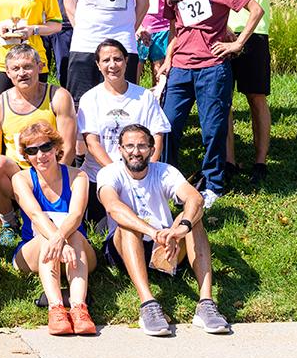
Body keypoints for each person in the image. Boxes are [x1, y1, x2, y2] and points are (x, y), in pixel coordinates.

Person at [98, 123, 231, 336]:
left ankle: (206, 302)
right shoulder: (109, 173)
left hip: (166, 248)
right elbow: (113, 207)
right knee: (128, 225)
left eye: (142, 146)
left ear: (152, 149)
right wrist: (153, 232)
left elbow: (195, 198)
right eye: (129, 146)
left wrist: (181, 229)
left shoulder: (165, 171)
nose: (135, 152)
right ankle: (148, 305)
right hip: (125, 247)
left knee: (193, 218)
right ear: (120, 149)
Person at [161, 0, 264, 208]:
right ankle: (168, 180)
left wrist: (237, 44)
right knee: (168, 125)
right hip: (181, 68)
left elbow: (256, 10)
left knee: (213, 129)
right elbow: (175, 30)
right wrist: (168, 59)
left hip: (213, 69)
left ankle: (213, 184)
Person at [207, 0, 284, 187]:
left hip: (255, 32)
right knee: (222, 100)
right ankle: (228, 161)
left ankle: (260, 162)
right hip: (222, 33)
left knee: (256, 97)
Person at [10, 121, 96, 335]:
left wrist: (61, 239)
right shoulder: (21, 178)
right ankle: (56, 307)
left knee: (75, 236)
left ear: (56, 147)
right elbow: (36, 215)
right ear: (26, 155)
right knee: (46, 239)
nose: (40, 155)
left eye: (46, 147)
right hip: (34, 250)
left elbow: (76, 215)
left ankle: (79, 308)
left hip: (76, 251)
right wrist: (58, 241)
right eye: (32, 151)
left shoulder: (78, 176)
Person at [76, 39, 171, 224]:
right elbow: (92, 144)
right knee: (103, 229)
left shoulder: (144, 97)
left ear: (126, 61)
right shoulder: (90, 98)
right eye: (106, 60)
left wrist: (146, 172)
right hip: (102, 177)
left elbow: (157, 136)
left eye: (118, 59)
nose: (112, 65)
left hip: (140, 174)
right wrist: (119, 174)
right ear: (98, 65)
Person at [0, 45, 77, 232]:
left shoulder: (58, 96)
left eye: (27, 67)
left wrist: (52, 180)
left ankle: (51, 209)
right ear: (8, 73)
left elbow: (68, 149)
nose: (22, 73)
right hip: (18, 174)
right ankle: (9, 222)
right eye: (16, 68)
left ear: (40, 67)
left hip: (52, 169)